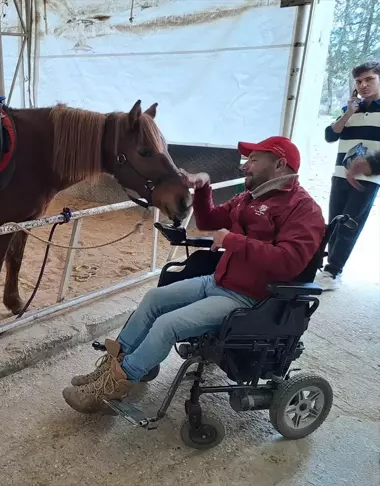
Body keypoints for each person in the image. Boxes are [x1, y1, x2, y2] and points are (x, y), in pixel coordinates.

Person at [62, 136, 325, 414]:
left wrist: (232, 241)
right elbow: (209, 220)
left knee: (167, 325)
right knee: (154, 298)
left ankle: (117, 381)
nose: (245, 166)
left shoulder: (303, 209)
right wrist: (203, 189)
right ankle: (111, 365)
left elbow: (290, 262)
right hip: (218, 281)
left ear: (280, 164)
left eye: (254, 160)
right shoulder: (248, 198)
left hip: (249, 299)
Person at [317, 60, 380, 290]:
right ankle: (326, 266)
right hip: (340, 173)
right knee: (334, 221)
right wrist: (349, 113)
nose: (363, 85)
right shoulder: (350, 109)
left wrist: (368, 166)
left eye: (369, 79)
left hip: (368, 178)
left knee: (349, 224)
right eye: (359, 81)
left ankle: (333, 272)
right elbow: (329, 136)